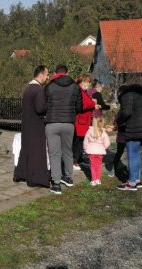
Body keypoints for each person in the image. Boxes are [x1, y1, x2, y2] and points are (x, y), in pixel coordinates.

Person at [45, 64, 83, 194]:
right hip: (69, 123)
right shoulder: (75, 86)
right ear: (67, 73)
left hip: (52, 123)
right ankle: (68, 177)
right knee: (68, 151)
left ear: (55, 72)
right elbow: (80, 107)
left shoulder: (49, 86)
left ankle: (56, 184)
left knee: (54, 153)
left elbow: (43, 105)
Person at [14, 65, 50, 188]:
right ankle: (35, 178)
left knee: (27, 150)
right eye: (46, 74)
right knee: (36, 151)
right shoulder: (38, 89)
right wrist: (49, 104)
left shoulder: (28, 88)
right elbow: (40, 108)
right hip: (36, 125)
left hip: (27, 124)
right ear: (40, 74)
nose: (47, 77)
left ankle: (22, 173)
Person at [116, 84, 142, 191]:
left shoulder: (127, 96)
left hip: (134, 129)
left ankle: (131, 182)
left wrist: (118, 122)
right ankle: (137, 180)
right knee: (136, 154)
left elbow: (126, 112)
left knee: (132, 154)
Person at [73, 74, 98, 171]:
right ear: (83, 82)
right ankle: (74, 161)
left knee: (80, 142)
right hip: (80, 121)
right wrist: (93, 103)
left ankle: (77, 160)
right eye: (88, 82)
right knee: (77, 143)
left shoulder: (83, 91)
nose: (89, 84)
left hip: (83, 121)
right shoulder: (79, 91)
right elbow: (82, 104)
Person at [84, 117, 111, 186]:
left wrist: (85, 149)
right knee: (98, 166)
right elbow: (107, 142)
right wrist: (104, 147)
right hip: (100, 152)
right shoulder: (103, 132)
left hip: (92, 151)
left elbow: (85, 141)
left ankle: (93, 180)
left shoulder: (89, 131)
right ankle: (98, 180)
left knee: (93, 166)